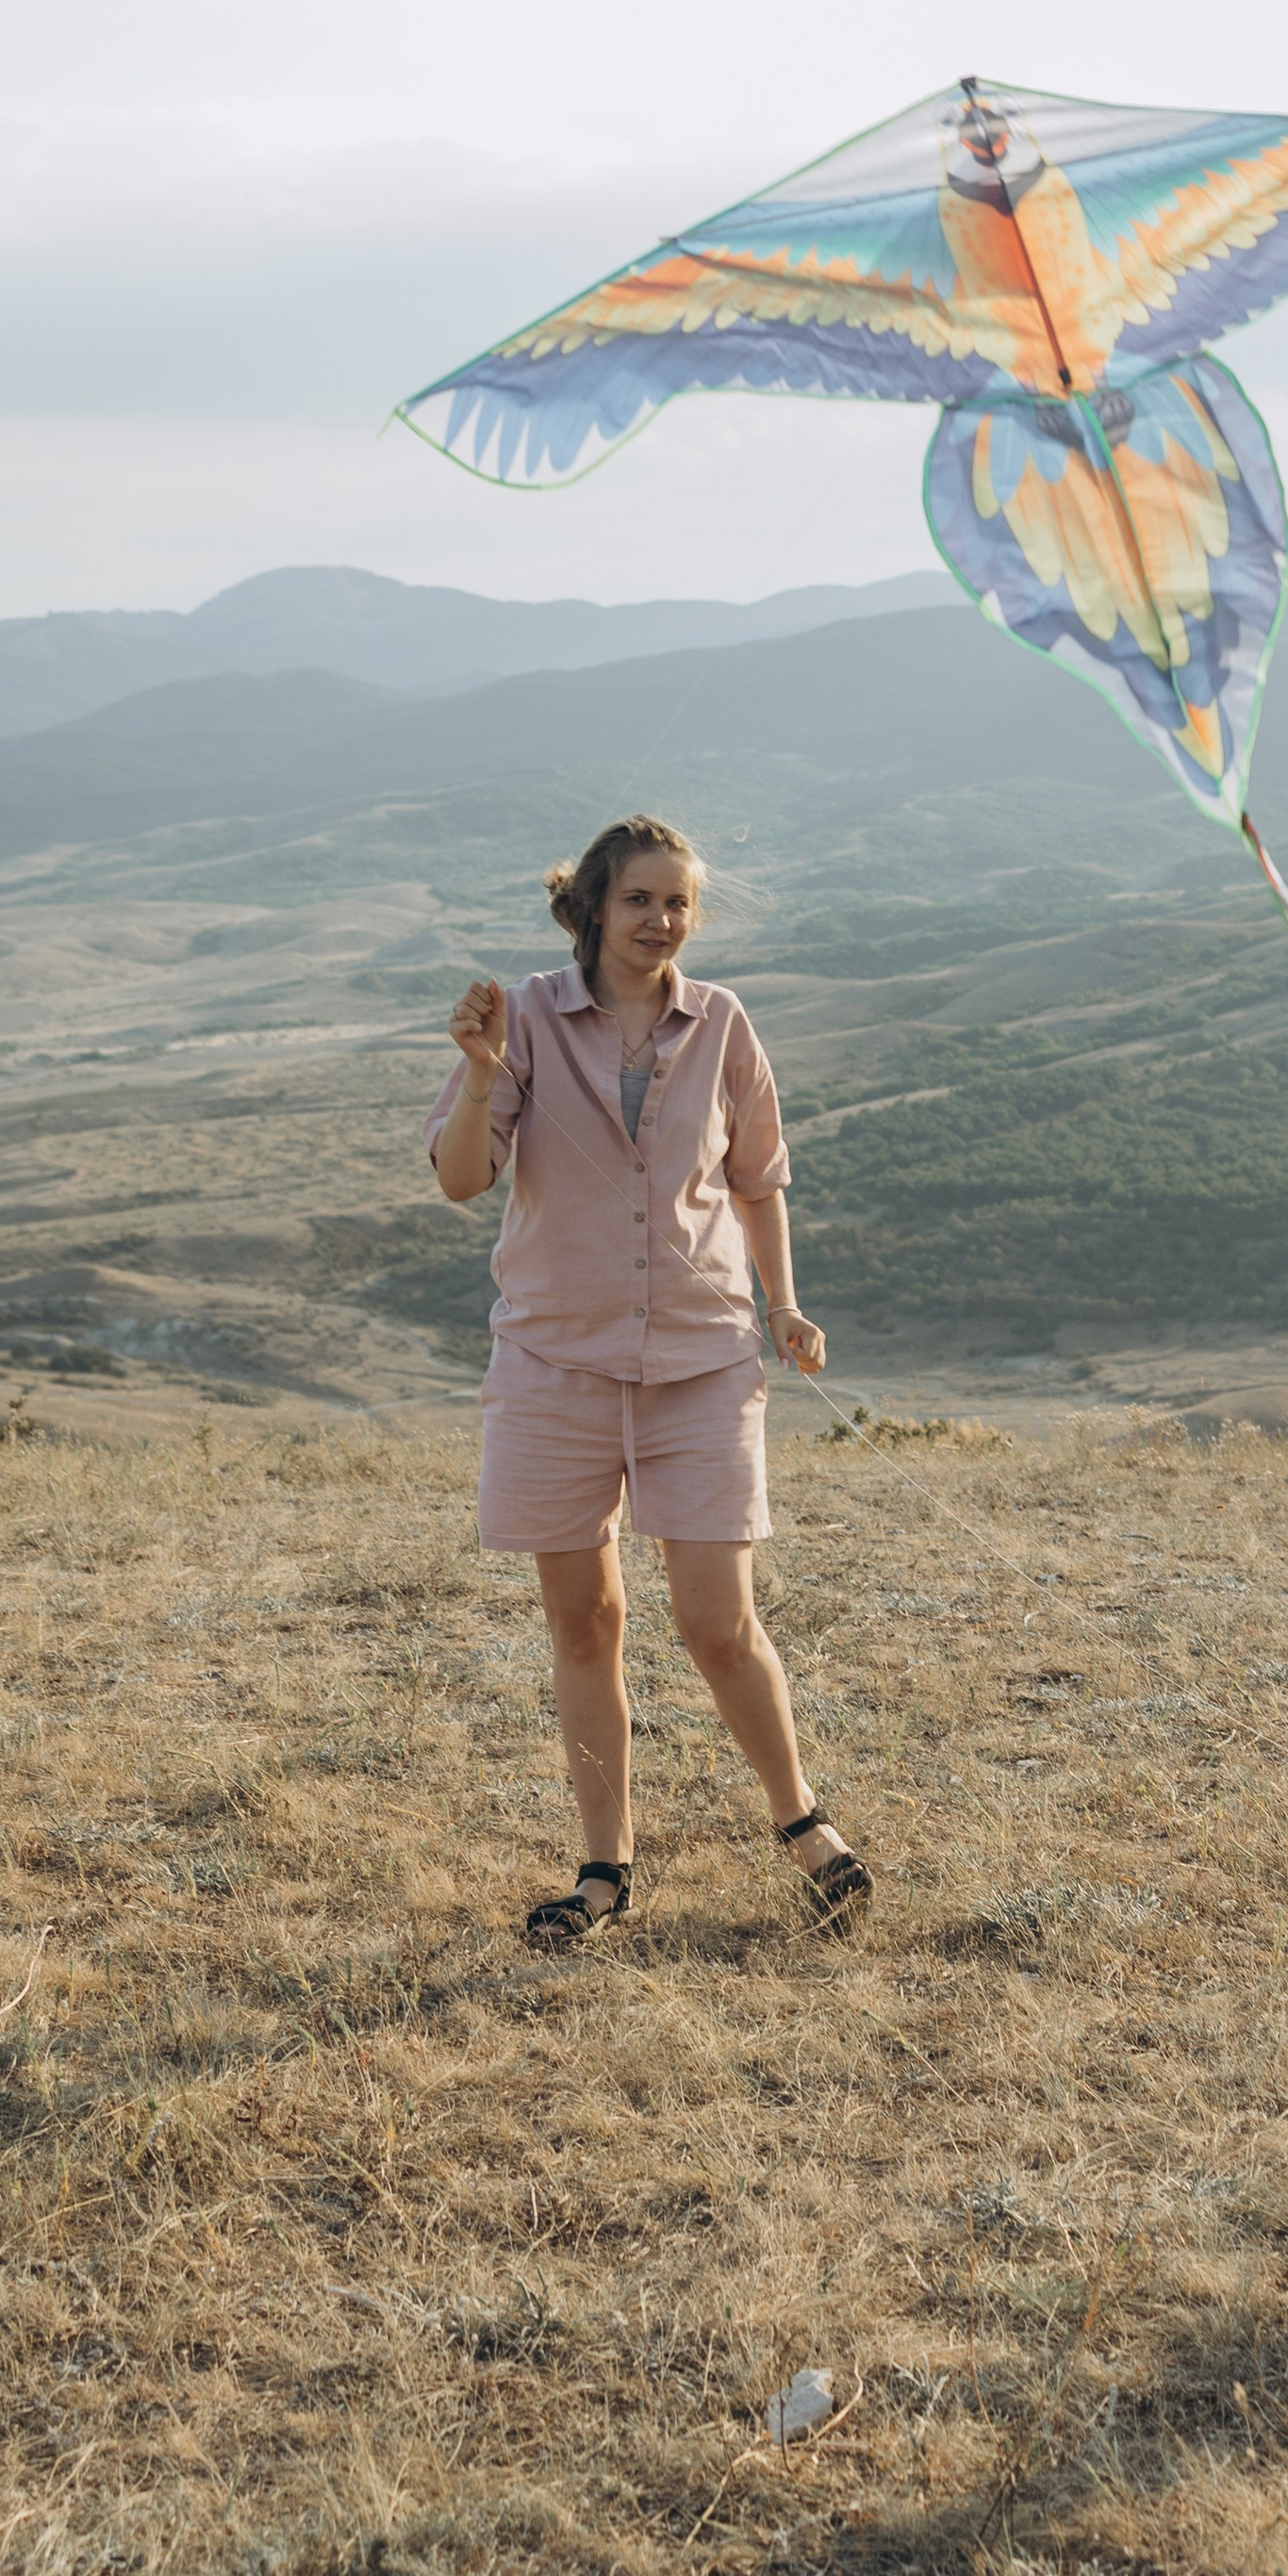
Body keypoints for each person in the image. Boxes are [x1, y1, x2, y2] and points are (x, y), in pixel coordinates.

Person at [426, 814, 871, 1944]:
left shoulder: (723, 1021)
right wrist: (478, 1075)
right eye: (640, 899)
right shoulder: (524, 1016)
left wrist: (784, 1305)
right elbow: (462, 1180)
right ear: (590, 907)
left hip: (702, 1359)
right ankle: (603, 1873)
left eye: (679, 903)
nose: (661, 921)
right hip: (553, 1364)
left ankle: (804, 1826)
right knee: (585, 1624)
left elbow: (759, 1180)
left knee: (719, 1623)